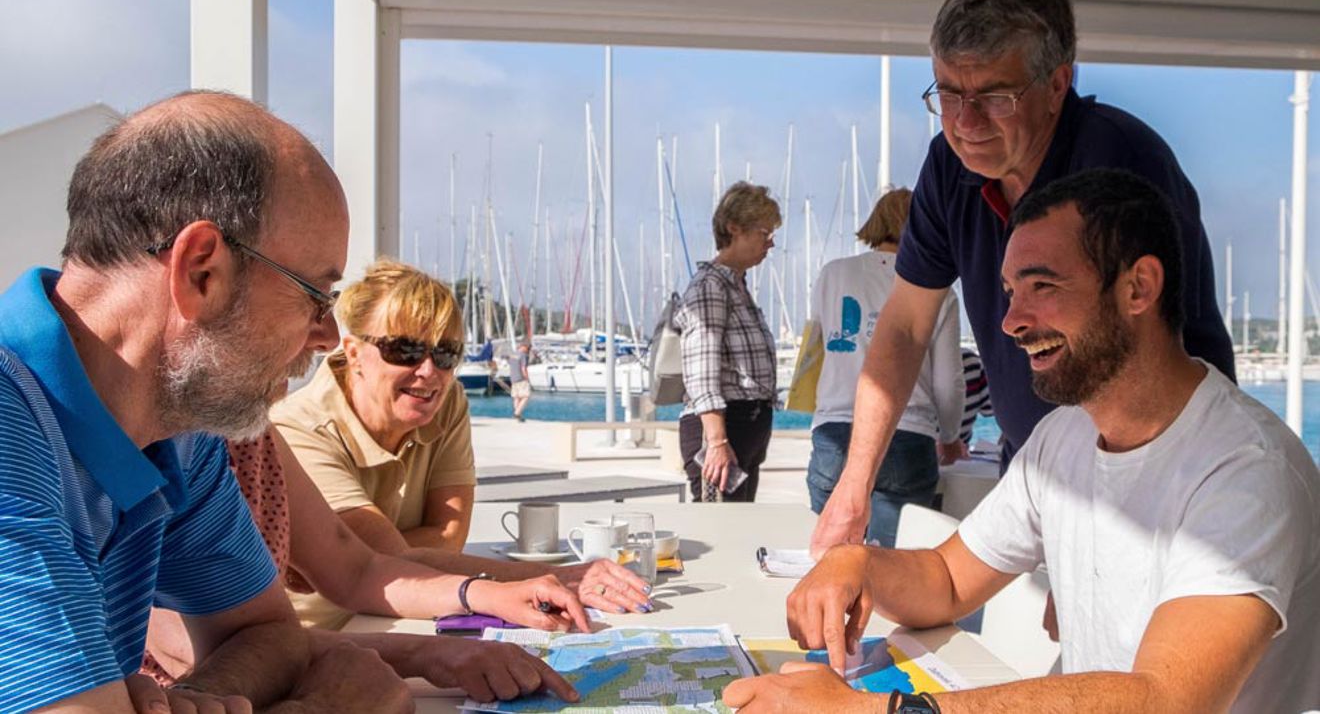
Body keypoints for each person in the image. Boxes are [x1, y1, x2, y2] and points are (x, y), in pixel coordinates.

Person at [728, 169, 1320, 714]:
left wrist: (878, 710)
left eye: (1042, 285)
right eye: (1011, 291)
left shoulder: (1247, 472)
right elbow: (949, 579)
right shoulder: (1063, 437)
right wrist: (856, 562)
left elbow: (1167, 699)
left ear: (1139, 287)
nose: (1012, 321)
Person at [0, 91, 412, 712]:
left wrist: (195, 701)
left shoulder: (171, 433)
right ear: (202, 272)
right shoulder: (9, 430)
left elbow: (267, 633)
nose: (328, 336)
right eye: (315, 295)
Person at [810, 0, 1235, 556]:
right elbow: (906, 326)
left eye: (993, 96)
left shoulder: (1122, 163)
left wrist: (1098, 530)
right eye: (949, 93)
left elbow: (1156, 362)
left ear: (1058, 84)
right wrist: (853, 489)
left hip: (1151, 487)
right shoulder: (947, 167)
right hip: (1034, 468)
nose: (964, 123)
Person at [272, 260, 652, 628]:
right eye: (404, 350)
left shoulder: (445, 400)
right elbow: (381, 562)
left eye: (445, 354)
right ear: (353, 353)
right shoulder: (299, 429)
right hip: (327, 638)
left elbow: (448, 539)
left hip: (410, 615)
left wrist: (385, 555)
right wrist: (559, 576)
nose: (428, 372)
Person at [143, 428, 591, 705]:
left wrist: (487, 592)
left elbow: (355, 567)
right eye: (313, 298)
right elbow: (198, 643)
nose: (327, 336)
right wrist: (424, 653)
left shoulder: (250, 432)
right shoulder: (161, 441)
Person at [807, 188, 963, 547]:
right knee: (891, 572)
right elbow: (947, 382)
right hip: (906, 433)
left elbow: (814, 352)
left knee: (829, 564)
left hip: (834, 432)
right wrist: (951, 438)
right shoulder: (938, 292)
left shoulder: (833, 275)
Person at [674, 181, 781, 502]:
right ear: (735, 228)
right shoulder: (711, 286)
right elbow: (701, 369)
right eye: (765, 233)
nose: (770, 243)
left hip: (743, 426)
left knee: (736, 531)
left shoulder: (735, 286)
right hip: (723, 429)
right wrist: (717, 442)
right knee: (720, 533)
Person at [510, 342, 532, 421]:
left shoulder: (513, 355)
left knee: (517, 397)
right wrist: (527, 378)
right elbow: (523, 368)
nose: (528, 350)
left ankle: (517, 415)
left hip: (513, 378)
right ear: (525, 347)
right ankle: (517, 413)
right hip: (521, 378)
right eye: (528, 348)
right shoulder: (523, 355)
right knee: (526, 396)